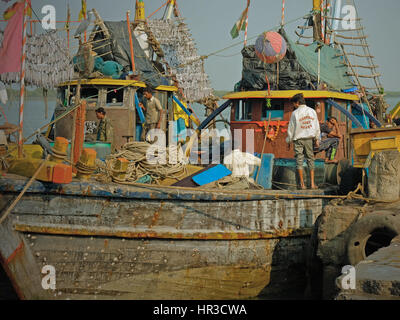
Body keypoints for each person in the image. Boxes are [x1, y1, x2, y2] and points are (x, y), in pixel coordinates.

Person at [286, 93, 321, 190]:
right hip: (309, 139)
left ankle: (302, 184)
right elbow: (316, 126)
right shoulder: (312, 111)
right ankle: (312, 184)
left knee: (299, 160)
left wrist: (289, 140)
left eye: (294, 104)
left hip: (298, 139)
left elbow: (291, 129)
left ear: (297, 103)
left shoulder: (295, 113)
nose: (293, 106)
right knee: (311, 159)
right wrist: (317, 139)